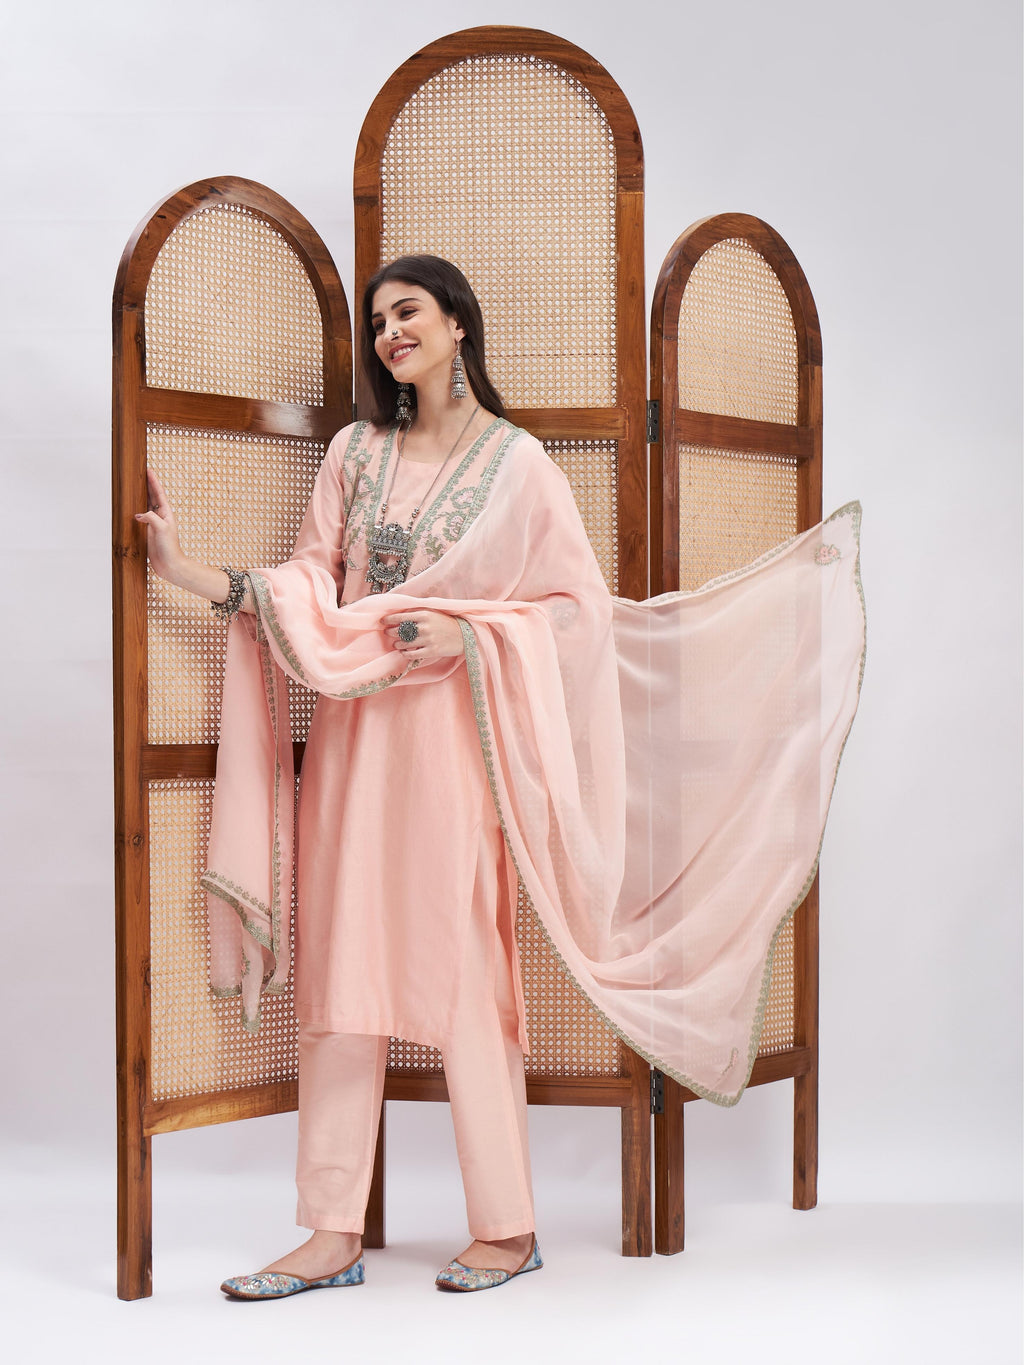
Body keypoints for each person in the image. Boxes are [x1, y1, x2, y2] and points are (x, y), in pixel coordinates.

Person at [136, 255, 865, 1300]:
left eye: (408, 311)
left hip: (450, 745)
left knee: (465, 968)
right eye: (378, 320)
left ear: (458, 325)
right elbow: (307, 586)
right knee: (339, 972)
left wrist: (469, 634)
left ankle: (507, 1226)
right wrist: (186, 572)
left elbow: (576, 614)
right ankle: (330, 1231)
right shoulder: (353, 452)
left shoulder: (520, 467)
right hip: (351, 737)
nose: (390, 332)